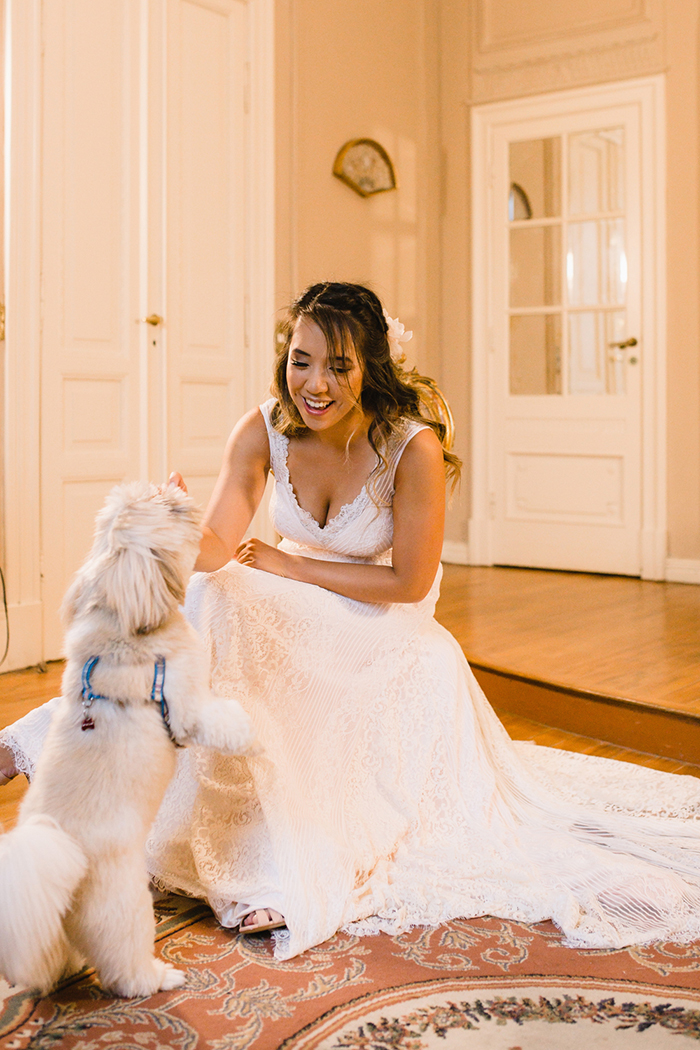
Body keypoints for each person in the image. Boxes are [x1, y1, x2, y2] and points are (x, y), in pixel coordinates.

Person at [4, 281, 700, 960]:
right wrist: (172, 524)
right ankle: (60, 737)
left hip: (382, 622)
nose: (315, 383)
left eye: (338, 365)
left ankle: (254, 855)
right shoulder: (262, 428)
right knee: (215, 594)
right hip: (290, 599)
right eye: (301, 360)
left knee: (236, 597)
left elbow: (410, 580)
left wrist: (294, 566)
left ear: (371, 368)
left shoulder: (411, 447)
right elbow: (217, 549)